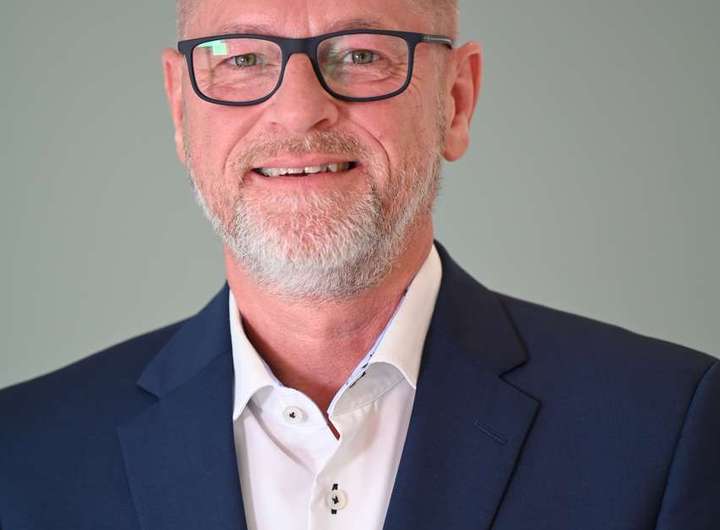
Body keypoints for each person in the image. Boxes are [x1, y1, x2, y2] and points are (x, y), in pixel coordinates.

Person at [1, 0, 718, 528]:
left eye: (361, 54)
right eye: (243, 59)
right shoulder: (23, 453)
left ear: (456, 101)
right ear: (179, 108)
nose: (298, 111)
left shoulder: (665, 430)